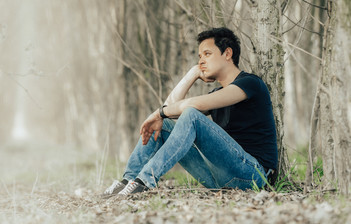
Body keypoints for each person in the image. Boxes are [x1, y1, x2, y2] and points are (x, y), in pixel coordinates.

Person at [102, 27, 278, 197]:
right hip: (219, 179)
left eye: (207, 54)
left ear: (227, 54)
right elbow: (169, 109)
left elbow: (190, 107)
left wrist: (159, 113)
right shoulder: (216, 94)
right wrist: (192, 74)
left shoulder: (250, 84)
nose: (201, 61)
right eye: (199, 56)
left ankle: (144, 181)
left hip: (254, 176)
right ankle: (128, 180)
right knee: (165, 125)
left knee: (191, 114)